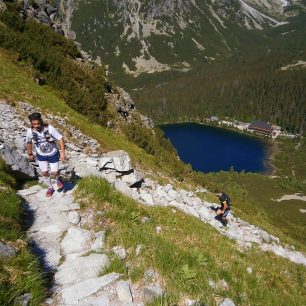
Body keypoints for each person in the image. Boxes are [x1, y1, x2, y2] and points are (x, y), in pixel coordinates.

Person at [26, 112, 66, 197]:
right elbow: (28, 142)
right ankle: (50, 188)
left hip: (53, 154)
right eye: (34, 124)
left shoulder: (49, 128)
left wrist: (63, 153)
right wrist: (30, 153)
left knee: (54, 172)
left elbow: (61, 139)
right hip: (41, 155)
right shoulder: (30, 131)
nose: (36, 126)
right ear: (31, 123)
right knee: (44, 173)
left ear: (41, 121)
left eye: (38, 123)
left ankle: (58, 178)